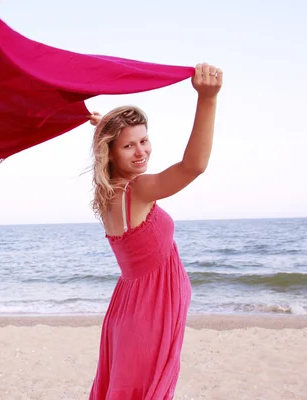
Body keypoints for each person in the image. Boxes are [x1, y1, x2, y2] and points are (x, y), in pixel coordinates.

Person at [86, 62, 223, 399]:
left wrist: (104, 123)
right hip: (148, 317)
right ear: (111, 151)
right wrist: (208, 98)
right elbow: (194, 166)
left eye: (144, 140)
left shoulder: (109, 193)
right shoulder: (140, 190)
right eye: (128, 146)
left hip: (130, 312)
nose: (141, 151)